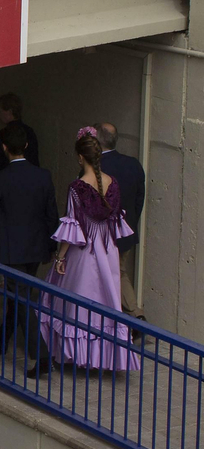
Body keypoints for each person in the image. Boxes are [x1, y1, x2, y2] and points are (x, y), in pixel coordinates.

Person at [36, 127, 142, 375]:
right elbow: (115, 221)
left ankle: (76, 356)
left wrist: (60, 257)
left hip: (84, 254)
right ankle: (103, 359)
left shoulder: (76, 187)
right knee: (107, 303)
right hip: (107, 251)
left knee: (78, 303)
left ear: (80, 157)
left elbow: (74, 226)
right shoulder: (113, 183)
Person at [0, 120, 59, 365]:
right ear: (25, 145)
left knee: (21, 297)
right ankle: (2, 339)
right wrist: (50, 246)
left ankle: (41, 353)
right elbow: (51, 215)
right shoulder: (43, 176)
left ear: (4, 147)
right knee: (19, 294)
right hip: (36, 247)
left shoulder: (0, 178)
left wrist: (4, 221)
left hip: (12, 248)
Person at [96, 122, 146, 328]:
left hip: (103, 233)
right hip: (126, 231)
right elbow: (138, 200)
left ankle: (130, 317)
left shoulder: (96, 167)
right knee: (119, 271)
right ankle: (133, 315)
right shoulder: (133, 164)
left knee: (108, 275)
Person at [0, 93, 39, 258]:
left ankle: (3, 277)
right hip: (28, 193)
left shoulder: (1, 136)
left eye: (0, 110)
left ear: (8, 111)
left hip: (4, 194)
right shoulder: (31, 133)